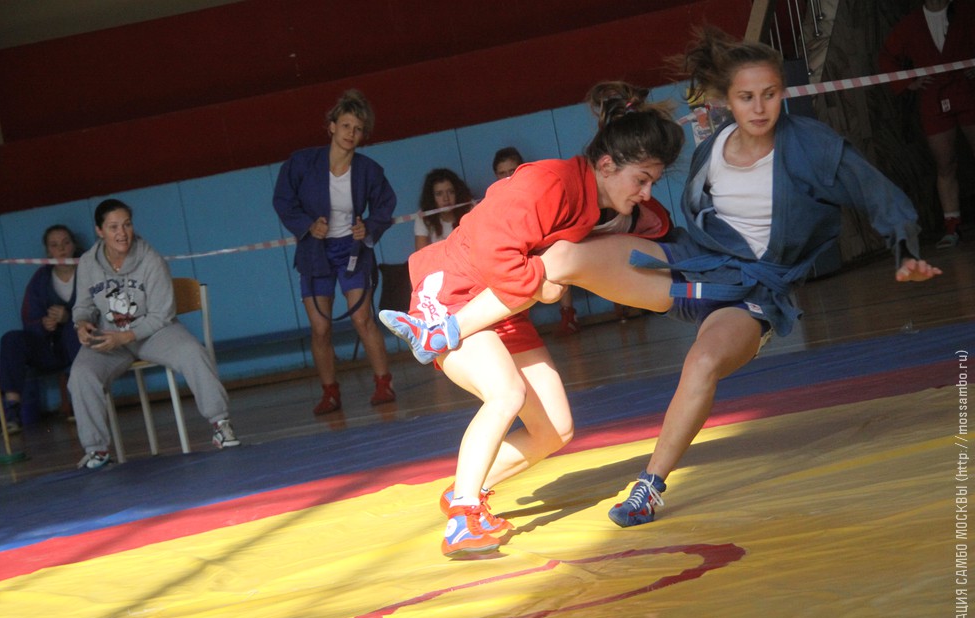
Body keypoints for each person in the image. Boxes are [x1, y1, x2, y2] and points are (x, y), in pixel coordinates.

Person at [383, 27, 942, 531]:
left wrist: (905, 245)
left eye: (770, 95)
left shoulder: (808, 145)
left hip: (740, 292)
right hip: (636, 272)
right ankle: (446, 360)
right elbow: (640, 229)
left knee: (625, 395)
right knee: (552, 286)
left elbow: (867, 187)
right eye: (747, 97)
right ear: (727, 101)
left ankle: (634, 484)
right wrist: (552, 278)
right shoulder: (696, 153)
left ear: (783, 94)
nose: (759, 107)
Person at [380, 82, 685, 557]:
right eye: (642, 180)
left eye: (653, 183)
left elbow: (656, 223)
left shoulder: (596, 198)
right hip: (456, 291)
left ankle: (466, 487)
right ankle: (463, 519)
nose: (646, 193)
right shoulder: (550, 183)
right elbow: (492, 251)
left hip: (502, 301)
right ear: (607, 165)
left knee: (554, 428)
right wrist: (542, 284)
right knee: (506, 394)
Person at [68, 199, 239, 470]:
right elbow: (83, 306)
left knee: (192, 352)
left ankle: (221, 424)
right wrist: (81, 324)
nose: (122, 233)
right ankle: (97, 450)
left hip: (154, 332)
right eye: (113, 227)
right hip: (109, 336)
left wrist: (126, 336)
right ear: (99, 231)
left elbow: (161, 314)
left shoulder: (150, 258)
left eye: (127, 225)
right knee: (81, 374)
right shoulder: (89, 262)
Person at [273, 89, 398, 415]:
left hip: (352, 250)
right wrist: (306, 225)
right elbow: (283, 199)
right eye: (345, 126)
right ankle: (330, 392)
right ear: (331, 126)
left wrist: (368, 228)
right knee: (320, 327)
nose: (350, 134)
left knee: (362, 318)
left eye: (358, 129)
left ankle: (384, 383)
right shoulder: (302, 163)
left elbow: (385, 205)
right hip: (315, 251)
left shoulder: (369, 170)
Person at [879, 0, 975, 249]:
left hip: (968, 92)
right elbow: (886, 57)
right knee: (945, 165)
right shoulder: (910, 24)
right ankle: (952, 226)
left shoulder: (966, 11)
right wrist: (908, 82)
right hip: (934, 99)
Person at [0, 225, 82, 433]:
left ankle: (81, 402)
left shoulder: (88, 271)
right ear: (47, 251)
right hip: (49, 349)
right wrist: (43, 324)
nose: (61, 249)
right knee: (11, 339)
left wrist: (69, 317)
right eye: (54, 245)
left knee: (73, 328)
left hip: (82, 345)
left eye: (66, 243)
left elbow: (102, 310)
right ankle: (13, 410)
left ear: (74, 245)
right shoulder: (40, 279)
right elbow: (29, 320)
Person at [414, 168, 474, 251]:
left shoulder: (470, 208)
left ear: (458, 193)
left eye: (451, 192)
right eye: (439, 194)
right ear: (431, 197)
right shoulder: (423, 216)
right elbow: (420, 253)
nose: (446, 198)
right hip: (438, 259)